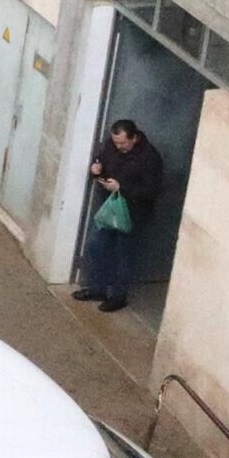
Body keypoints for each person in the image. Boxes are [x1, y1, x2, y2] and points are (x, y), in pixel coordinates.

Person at [77, 117, 166, 313]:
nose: (119, 147)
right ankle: (96, 288)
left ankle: (117, 297)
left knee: (123, 256)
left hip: (133, 213)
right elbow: (101, 160)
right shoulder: (112, 146)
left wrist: (121, 188)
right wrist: (96, 169)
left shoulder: (150, 158)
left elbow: (151, 190)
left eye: (123, 143)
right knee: (96, 247)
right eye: (116, 143)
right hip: (110, 208)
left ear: (134, 138)